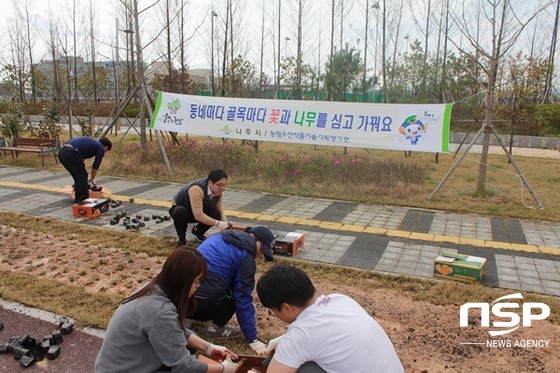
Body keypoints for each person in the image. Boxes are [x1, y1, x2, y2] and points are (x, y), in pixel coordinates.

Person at [95, 247, 241, 373]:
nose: (198, 286)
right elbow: (185, 367)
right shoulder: (159, 311)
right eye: (196, 280)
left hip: (118, 364)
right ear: (182, 280)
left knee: (188, 343)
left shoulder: (155, 288)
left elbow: (175, 330)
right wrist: (223, 369)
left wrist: (209, 348)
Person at [254, 263, 404, 373]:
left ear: (286, 307)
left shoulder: (300, 336)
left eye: (274, 310)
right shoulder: (340, 300)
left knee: (304, 369)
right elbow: (322, 333)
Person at [189, 226, 276, 357]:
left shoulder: (220, 236)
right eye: (261, 249)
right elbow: (243, 299)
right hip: (204, 307)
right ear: (252, 237)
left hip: (184, 300)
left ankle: (185, 317)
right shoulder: (246, 257)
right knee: (236, 292)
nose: (259, 255)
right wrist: (253, 339)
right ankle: (216, 329)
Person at [169, 169, 230, 246]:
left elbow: (220, 209)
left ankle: (198, 232)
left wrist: (225, 223)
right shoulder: (196, 189)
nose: (222, 188)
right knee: (180, 212)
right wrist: (218, 223)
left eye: (224, 185)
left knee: (216, 214)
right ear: (210, 183)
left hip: (198, 210)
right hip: (184, 210)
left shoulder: (218, 192)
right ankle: (182, 240)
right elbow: (198, 215)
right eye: (219, 185)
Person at [58, 136, 112, 203]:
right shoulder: (100, 148)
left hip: (62, 152)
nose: (105, 152)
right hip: (71, 153)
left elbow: (80, 159)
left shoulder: (92, 143)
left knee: (78, 175)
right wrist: (92, 179)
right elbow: (96, 166)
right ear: (106, 147)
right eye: (106, 151)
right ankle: (82, 199)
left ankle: (78, 192)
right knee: (82, 176)